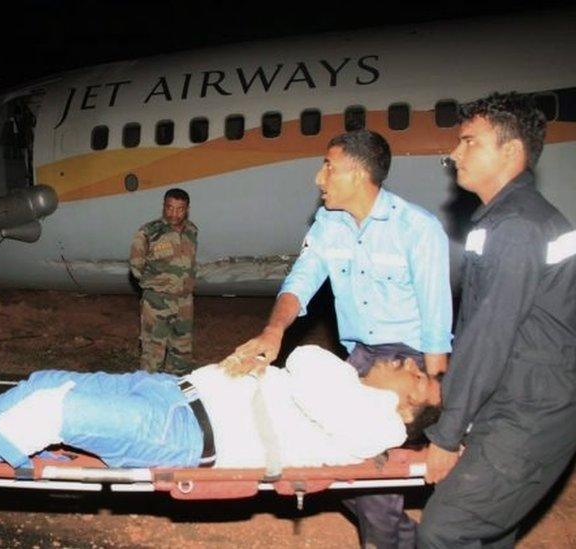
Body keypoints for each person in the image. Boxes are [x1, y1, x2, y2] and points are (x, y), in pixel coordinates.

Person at [228, 129, 453, 549]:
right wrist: (274, 329)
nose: (319, 177)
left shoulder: (418, 230)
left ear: (359, 174)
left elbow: (438, 325)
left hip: (406, 362)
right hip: (361, 355)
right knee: (335, 457)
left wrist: (439, 400)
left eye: (329, 166)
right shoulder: (329, 223)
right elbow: (303, 278)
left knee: (371, 482)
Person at [0, 345, 441, 472]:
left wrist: (278, 361)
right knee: (43, 382)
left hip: (183, 435)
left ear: (413, 393)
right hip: (174, 392)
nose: (399, 361)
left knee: (52, 414)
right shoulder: (357, 391)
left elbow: (309, 361)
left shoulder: (374, 422)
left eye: (411, 367)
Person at [418, 93, 576, 548]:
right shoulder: (506, 219)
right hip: (516, 398)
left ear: (510, 151)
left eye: (470, 142)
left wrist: (447, 436)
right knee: (490, 534)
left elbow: (488, 338)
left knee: (445, 531)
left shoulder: (516, 227)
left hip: (529, 413)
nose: (454, 153)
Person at [129, 188, 198, 374]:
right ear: (164, 207)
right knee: (153, 352)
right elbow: (136, 267)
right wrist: (158, 286)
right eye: (170, 208)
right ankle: (147, 394)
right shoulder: (148, 232)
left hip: (184, 301)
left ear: (187, 209)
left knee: (182, 352)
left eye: (180, 209)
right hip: (157, 302)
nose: (174, 213)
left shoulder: (192, 230)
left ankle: (175, 389)